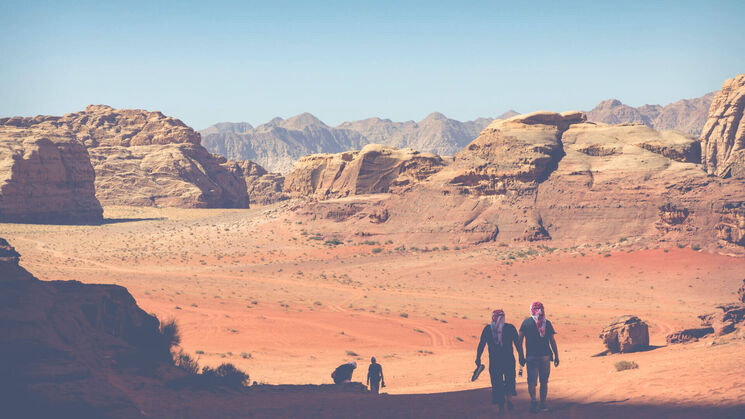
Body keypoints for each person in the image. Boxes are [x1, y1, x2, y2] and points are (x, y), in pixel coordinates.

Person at [476, 309, 523, 413]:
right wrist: (521, 356)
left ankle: (501, 406)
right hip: (509, 360)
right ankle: (509, 399)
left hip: (495, 362)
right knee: (510, 380)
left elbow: (481, 345)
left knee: (497, 383)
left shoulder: (487, 329)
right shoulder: (510, 328)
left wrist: (478, 358)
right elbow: (517, 344)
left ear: (492, 317)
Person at [518, 301, 559, 413]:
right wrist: (556, 356)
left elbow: (519, 341)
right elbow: (552, 341)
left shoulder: (526, 323)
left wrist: (521, 356)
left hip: (531, 357)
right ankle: (543, 404)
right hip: (545, 357)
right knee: (544, 382)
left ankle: (533, 400)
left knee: (532, 381)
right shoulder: (547, 323)